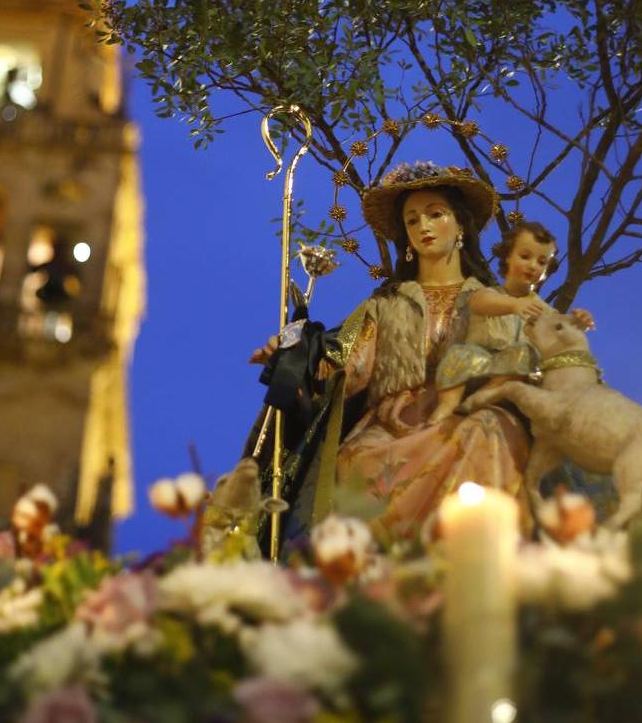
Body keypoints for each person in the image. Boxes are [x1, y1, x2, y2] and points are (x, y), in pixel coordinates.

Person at [250, 161, 535, 545]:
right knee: (355, 461)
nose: (424, 228)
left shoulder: (495, 302)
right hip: (392, 423)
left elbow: (521, 362)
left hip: (469, 414)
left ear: (461, 225)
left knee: (489, 430)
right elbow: (344, 366)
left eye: (436, 214)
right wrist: (295, 354)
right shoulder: (385, 304)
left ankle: (474, 551)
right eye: (413, 221)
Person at [428, 220, 595, 426]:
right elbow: (481, 303)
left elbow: (560, 330)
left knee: (524, 353)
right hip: (478, 365)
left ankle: (487, 396)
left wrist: (578, 324)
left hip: (510, 378)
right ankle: (448, 404)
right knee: (461, 355)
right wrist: (513, 305)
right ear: (507, 256)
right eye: (525, 256)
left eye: (542, 261)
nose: (533, 266)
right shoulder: (488, 293)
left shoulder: (545, 311)